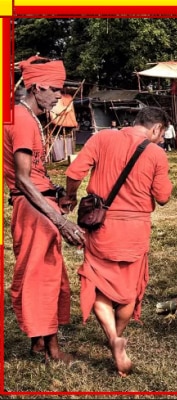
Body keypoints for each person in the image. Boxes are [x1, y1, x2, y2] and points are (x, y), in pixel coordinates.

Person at [64, 107, 172, 376]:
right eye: (162, 135)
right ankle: (117, 337)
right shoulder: (156, 153)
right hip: (135, 231)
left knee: (99, 284)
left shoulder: (102, 138)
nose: (160, 140)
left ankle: (112, 338)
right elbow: (163, 197)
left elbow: (75, 173)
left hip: (102, 228)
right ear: (156, 128)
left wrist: (69, 197)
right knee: (128, 291)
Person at [3, 55, 84, 365]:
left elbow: (33, 173)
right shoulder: (22, 120)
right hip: (34, 210)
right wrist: (60, 222)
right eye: (54, 90)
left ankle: (40, 343)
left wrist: (58, 193)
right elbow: (23, 179)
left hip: (38, 204)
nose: (59, 97)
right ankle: (51, 350)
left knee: (44, 275)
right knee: (44, 278)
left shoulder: (22, 117)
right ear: (36, 88)